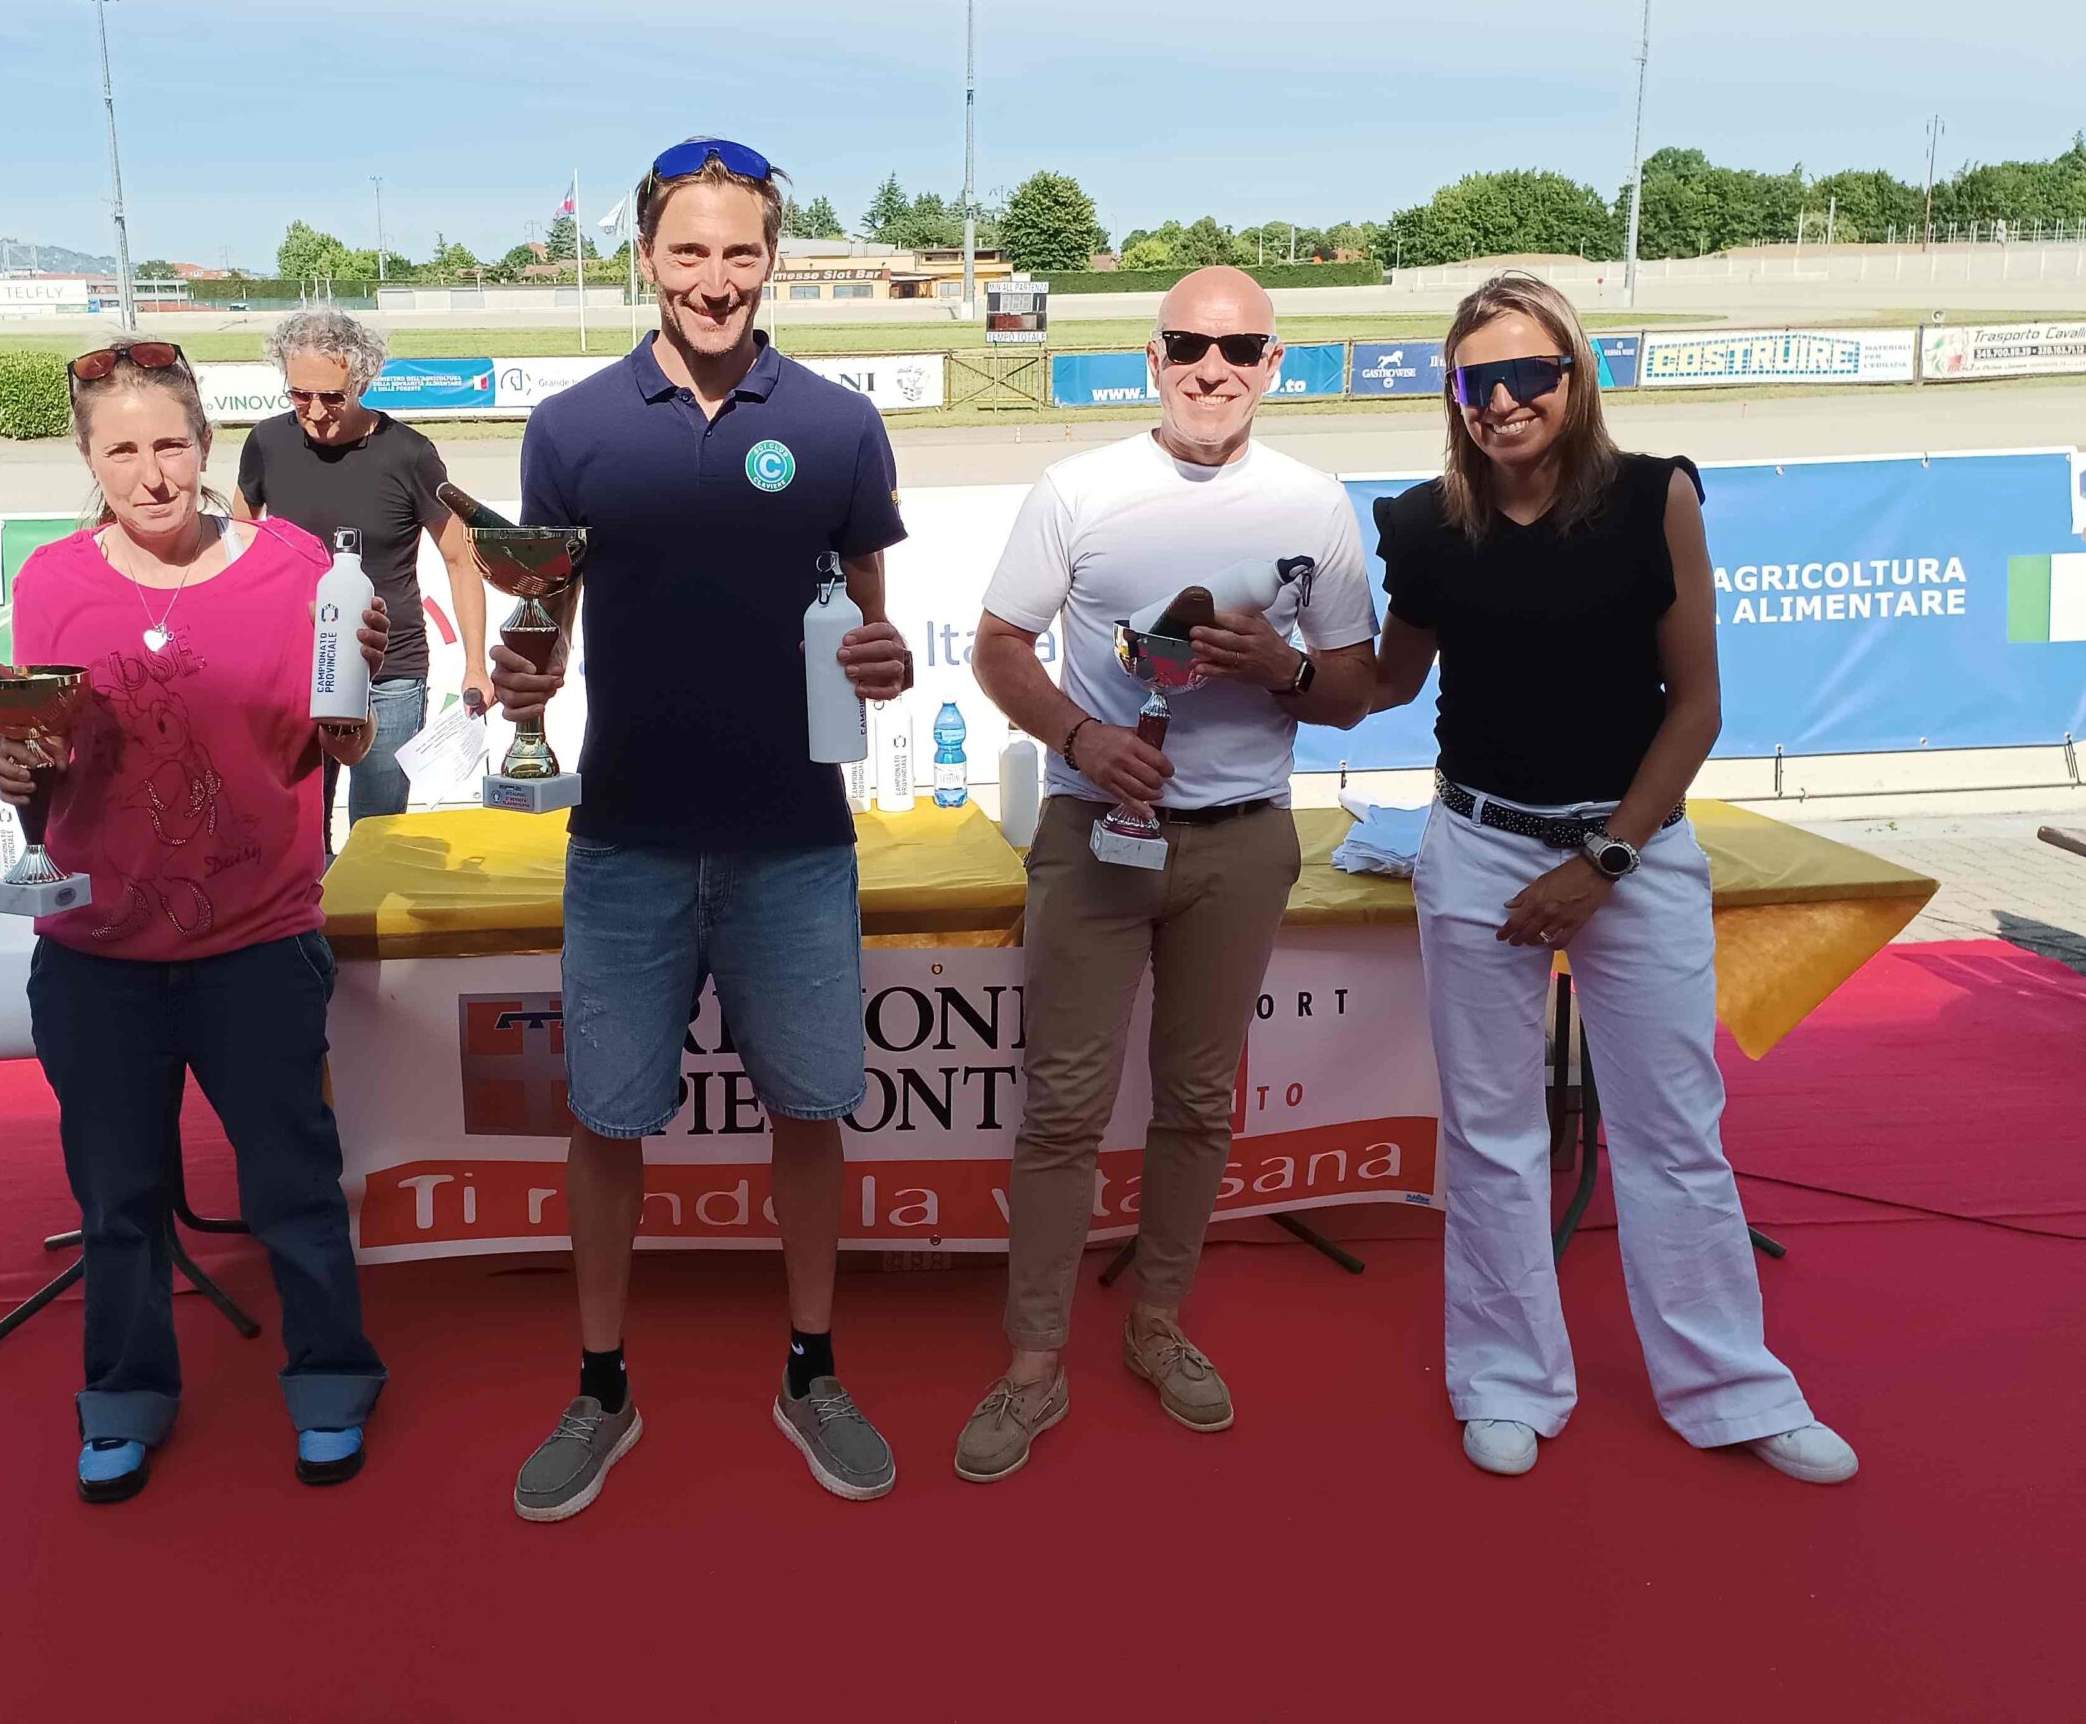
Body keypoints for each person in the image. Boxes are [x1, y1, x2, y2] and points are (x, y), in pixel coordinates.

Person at [1367, 273, 1857, 1485]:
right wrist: (1267, 666)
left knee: (1673, 1129)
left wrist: (1600, 863)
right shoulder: (1425, 524)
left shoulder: (1654, 496)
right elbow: (1381, 682)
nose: (1502, 399)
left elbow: (1696, 707)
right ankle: (1505, 1378)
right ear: (1452, 392)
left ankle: (1728, 1385)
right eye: (1477, 378)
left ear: (1574, 377)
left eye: (1528, 372)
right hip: (1476, 844)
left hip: (1629, 845)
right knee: (1490, 1132)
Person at [489, 139, 914, 1521]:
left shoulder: (840, 426)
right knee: (607, 1123)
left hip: (796, 839)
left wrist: (886, 659)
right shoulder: (572, 429)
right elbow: (543, 611)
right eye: (689, 251)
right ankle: (602, 1385)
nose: (715, 280)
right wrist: (523, 677)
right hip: (624, 838)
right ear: (646, 257)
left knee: (811, 1114)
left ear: (773, 260)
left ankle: (812, 1369)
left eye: (740, 252)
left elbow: (869, 620)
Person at [952, 267, 1379, 1483]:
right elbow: (997, 645)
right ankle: (1033, 1360)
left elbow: (1352, 690)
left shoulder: (1313, 502)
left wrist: (1282, 670)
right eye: (1188, 344)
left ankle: (1156, 1321)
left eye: (1238, 350)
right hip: (1096, 825)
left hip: (1242, 837)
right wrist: (1080, 737)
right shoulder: (1079, 488)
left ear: (1274, 364)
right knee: (1062, 1108)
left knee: (1197, 1100)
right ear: (1152, 356)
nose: (1211, 369)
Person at [0, 339, 391, 1505]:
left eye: (171, 443)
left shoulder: (297, 566)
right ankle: (122, 1397)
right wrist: (15, 765)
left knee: (292, 1185)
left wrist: (358, 698)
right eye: (122, 450)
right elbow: (40, 751)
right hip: (97, 952)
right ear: (87, 457)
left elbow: (340, 738)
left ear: (207, 443)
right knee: (117, 1197)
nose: (153, 474)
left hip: (255, 940)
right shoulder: (52, 580)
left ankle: (331, 1376)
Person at [234, 307, 491, 839]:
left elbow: (460, 559)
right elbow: (240, 543)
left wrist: (475, 666)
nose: (315, 411)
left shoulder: (410, 454)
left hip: (391, 673)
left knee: (377, 837)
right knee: (300, 834)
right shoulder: (265, 443)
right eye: (299, 395)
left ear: (363, 383)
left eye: (332, 397)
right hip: (296, 667)